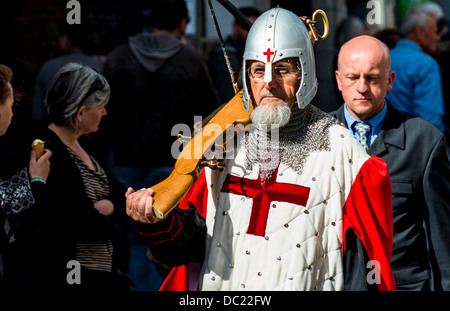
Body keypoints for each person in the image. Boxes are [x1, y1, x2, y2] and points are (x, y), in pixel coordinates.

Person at [125, 8, 396, 291]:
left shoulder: (346, 155)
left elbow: (366, 268)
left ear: (305, 73)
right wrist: (155, 222)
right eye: (257, 69)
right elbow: (189, 250)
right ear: (246, 75)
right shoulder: (221, 144)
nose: (269, 82)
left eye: (283, 69)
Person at [89, 0, 221, 290]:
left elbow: (103, 114)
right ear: (183, 24)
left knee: (137, 237)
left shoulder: (118, 58)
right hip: (175, 164)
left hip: (127, 158)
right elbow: (212, 116)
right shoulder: (190, 59)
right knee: (176, 237)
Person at [333, 35, 450, 290]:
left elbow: (443, 239)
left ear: (390, 81)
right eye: (353, 78)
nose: (362, 88)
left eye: (372, 78)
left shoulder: (424, 140)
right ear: (339, 80)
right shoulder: (317, 137)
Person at [30, 63, 129, 291]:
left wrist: (108, 208)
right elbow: (77, 222)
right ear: (81, 112)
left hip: (99, 275)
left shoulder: (82, 145)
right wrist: (111, 218)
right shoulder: (48, 153)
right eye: (101, 106)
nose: (104, 112)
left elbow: (123, 195)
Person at [0, 64, 52, 291]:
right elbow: (27, 225)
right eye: (10, 105)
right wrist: (38, 180)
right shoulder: (6, 163)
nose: (12, 113)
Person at [32, 19, 104, 131]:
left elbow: (37, 116)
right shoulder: (103, 64)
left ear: (65, 39)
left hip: (59, 138)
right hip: (96, 138)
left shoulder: (48, 68)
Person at [386, 7, 445, 133]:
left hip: (381, 140)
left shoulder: (383, 57)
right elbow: (430, 121)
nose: (437, 38)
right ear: (420, 32)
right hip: (415, 143)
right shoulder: (426, 64)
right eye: (435, 32)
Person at [207, 7, 261, 104]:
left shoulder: (249, 52)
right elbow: (226, 98)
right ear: (235, 27)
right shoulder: (225, 56)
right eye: (246, 28)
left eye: (255, 29)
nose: (250, 33)